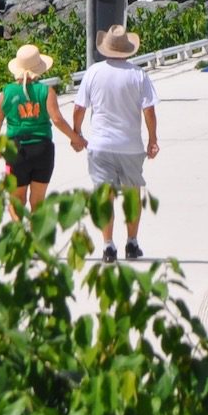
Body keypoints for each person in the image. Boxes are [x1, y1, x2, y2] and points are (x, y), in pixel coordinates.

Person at [71, 26, 160, 262]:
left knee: (104, 197)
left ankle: (108, 246)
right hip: (130, 145)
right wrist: (152, 139)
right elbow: (149, 110)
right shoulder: (138, 74)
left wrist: (77, 133)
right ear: (127, 50)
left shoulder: (93, 72)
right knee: (132, 196)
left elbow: (79, 108)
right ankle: (132, 243)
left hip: (100, 145)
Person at [0, 43, 82, 215]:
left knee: (17, 200)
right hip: (42, 149)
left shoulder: (6, 92)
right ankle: (35, 239)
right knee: (38, 202)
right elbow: (57, 119)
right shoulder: (46, 91)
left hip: (14, 150)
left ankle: (19, 235)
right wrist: (76, 138)